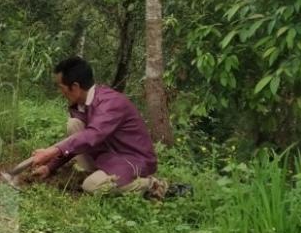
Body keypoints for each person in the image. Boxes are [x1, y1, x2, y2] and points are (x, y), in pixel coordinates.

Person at [29, 56, 187, 199]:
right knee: (74, 124)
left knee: (91, 186)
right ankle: (103, 175)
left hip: (132, 160)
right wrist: (49, 167)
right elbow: (78, 141)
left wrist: (51, 150)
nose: (60, 91)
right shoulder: (82, 105)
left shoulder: (110, 102)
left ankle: (152, 185)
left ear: (75, 87)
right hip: (108, 155)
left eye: (60, 86)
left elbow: (92, 135)